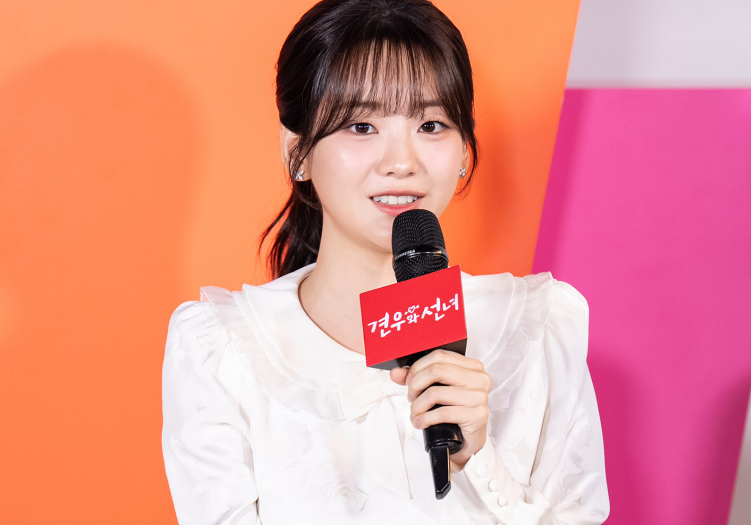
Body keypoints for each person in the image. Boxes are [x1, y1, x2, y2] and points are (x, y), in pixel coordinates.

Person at [161, 0, 609, 523]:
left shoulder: (537, 327)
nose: (402, 162)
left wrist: (479, 459)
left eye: (432, 125)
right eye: (362, 126)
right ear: (297, 151)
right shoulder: (223, 351)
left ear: (465, 149)